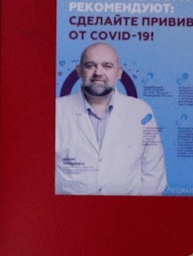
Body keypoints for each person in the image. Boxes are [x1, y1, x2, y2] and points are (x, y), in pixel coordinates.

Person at [54, 42, 167, 195]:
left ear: (119, 73)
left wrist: (141, 213)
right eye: (90, 65)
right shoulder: (56, 110)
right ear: (79, 71)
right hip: (70, 212)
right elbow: (43, 171)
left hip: (127, 212)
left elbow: (153, 173)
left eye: (107, 66)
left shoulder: (141, 112)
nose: (98, 72)